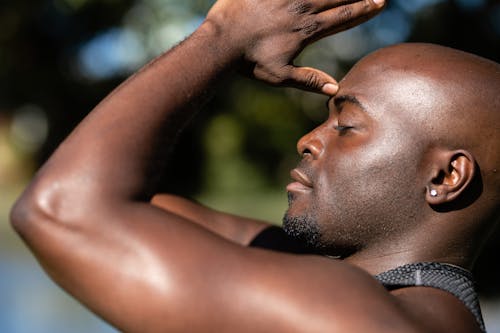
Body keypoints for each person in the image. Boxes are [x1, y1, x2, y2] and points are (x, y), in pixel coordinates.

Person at [10, 0, 499, 331]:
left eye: (346, 127)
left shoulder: (355, 318)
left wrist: (225, 36)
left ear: (444, 177)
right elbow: (114, 192)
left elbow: (62, 208)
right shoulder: (379, 296)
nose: (308, 140)